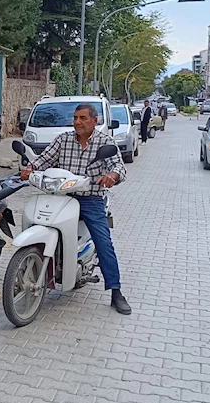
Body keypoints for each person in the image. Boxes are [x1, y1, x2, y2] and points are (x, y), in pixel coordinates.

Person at [21, 103, 132, 316]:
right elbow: (44, 159)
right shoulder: (63, 139)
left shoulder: (104, 142)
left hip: (90, 198)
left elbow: (119, 167)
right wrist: (31, 168)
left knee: (103, 241)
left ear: (94, 121)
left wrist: (111, 176)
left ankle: (116, 291)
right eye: (75, 118)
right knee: (38, 220)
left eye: (83, 118)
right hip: (61, 195)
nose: (78, 122)